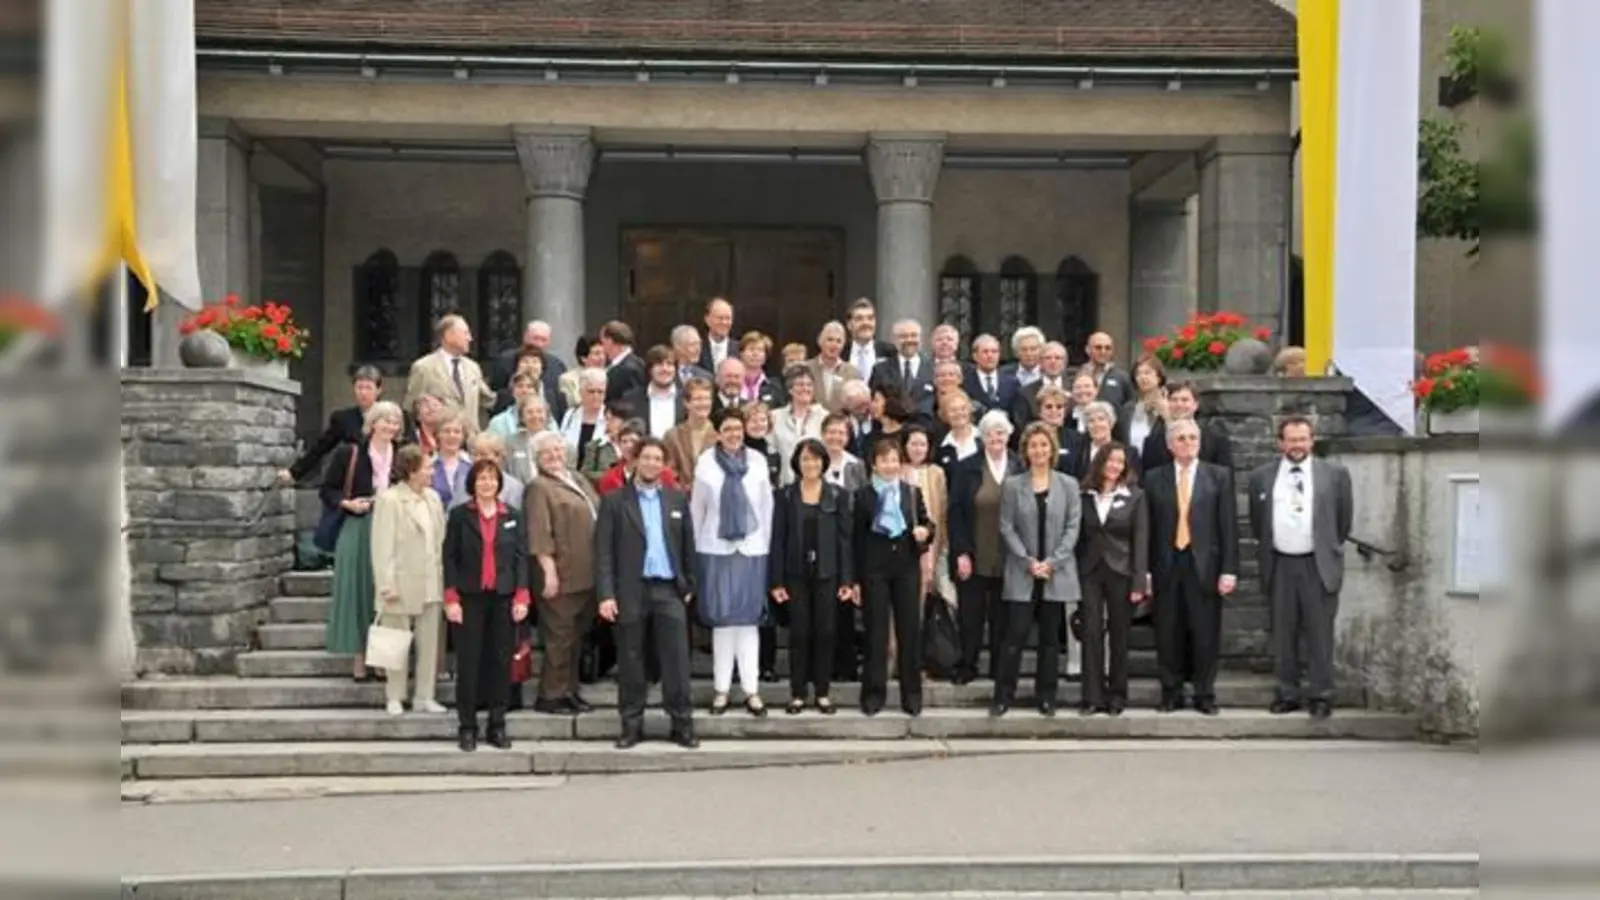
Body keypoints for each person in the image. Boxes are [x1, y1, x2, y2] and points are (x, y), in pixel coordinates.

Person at [595, 438, 699, 750]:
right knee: (630, 660)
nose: (653, 463)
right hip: (630, 590)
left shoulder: (677, 500)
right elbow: (603, 553)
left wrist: (690, 585)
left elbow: (688, 546)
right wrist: (605, 594)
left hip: (669, 590)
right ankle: (631, 725)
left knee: (677, 661)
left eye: (658, 459)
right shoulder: (615, 502)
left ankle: (682, 724)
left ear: (664, 465)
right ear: (635, 460)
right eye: (647, 457)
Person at [1248, 415, 1353, 720]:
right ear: (1280, 442)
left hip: (1317, 564)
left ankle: (1321, 695)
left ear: (1312, 440)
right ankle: (1286, 692)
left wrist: (1327, 548)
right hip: (1280, 563)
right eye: (1291, 439)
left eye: (1302, 439)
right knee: (1283, 632)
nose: (1297, 445)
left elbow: (1343, 520)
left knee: (1320, 633)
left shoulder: (1334, 475)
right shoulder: (1262, 477)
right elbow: (1258, 522)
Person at [1143, 418, 1239, 715]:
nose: (1187, 443)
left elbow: (1228, 526)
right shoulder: (1153, 478)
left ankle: (1204, 692)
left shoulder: (1218, 476)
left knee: (1205, 631)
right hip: (1166, 563)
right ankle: (1171, 691)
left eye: (1192, 438)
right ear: (1170, 446)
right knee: (1168, 631)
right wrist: (1145, 571)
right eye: (1180, 439)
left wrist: (1229, 569)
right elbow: (1147, 528)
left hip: (1205, 565)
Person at [992, 422, 1082, 718]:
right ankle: (1003, 696)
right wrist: (1028, 561)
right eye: (1033, 446)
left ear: (1052, 449)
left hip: (1056, 573)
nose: (1039, 450)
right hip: (1023, 571)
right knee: (1013, 637)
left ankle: (1047, 697)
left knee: (1049, 640)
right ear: (1026, 451)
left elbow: (1072, 528)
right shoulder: (1013, 485)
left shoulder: (1068, 485)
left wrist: (1052, 562)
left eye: (1044, 445)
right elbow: (1006, 527)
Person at [690, 407, 775, 716]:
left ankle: (751, 690)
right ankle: (722, 689)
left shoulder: (758, 461)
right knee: (723, 622)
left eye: (738, 429)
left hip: (752, 549)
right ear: (718, 432)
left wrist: (766, 548)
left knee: (749, 620)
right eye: (727, 429)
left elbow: (767, 508)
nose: (734, 435)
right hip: (715, 549)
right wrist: (694, 554)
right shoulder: (706, 464)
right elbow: (696, 511)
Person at [441, 459, 532, 751]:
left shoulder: (512, 516)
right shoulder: (458, 516)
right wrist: (451, 598)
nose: (487, 483)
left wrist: (522, 595)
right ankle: (467, 726)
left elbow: (521, 559)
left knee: (500, 663)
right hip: (470, 598)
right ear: (473, 483)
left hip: (503, 598)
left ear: (499, 483)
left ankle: (497, 724)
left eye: (492, 478)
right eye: (481, 478)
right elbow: (450, 559)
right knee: (469, 663)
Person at [769, 438, 856, 714]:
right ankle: (797, 693)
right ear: (797, 462)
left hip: (827, 574)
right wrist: (777, 581)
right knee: (799, 633)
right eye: (805, 459)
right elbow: (778, 540)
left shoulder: (837, 495)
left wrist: (846, 579)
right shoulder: (785, 496)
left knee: (826, 632)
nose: (811, 464)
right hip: (795, 574)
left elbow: (845, 540)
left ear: (823, 463)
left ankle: (822, 692)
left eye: (816, 459)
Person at [322, 401, 405, 682]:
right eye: (385, 420)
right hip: (358, 525)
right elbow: (328, 489)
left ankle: (381, 659)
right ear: (373, 422)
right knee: (358, 592)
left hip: (392, 526)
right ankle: (359, 658)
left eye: (395, 421)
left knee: (384, 594)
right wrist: (347, 503)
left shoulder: (403, 455)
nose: (391, 426)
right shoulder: (351, 452)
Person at [525, 431, 603, 715]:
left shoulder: (577, 479)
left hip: (587, 572)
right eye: (547, 453)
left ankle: (569, 691)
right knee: (559, 638)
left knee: (575, 638)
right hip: (561, 574)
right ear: (538, 458)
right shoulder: (539, 487)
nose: (554, 456)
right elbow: (539, 533)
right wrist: (549, 571)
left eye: (558, 451)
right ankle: (550, 695)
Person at [853, 438, 932, 716]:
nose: (890, 465)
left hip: (906, 568)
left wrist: (926, 532)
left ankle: (911, 695)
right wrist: (854, 579)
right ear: (874, 464)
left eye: (894, 459)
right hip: (874, 570)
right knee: (876, 633)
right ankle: (874, 693)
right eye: (884, 459)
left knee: (909, 631)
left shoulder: (911, 492)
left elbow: (926, 522)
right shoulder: (863, 496)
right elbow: (855, 540)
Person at [368, 444, 448, 716]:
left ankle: (425, 696)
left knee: (429, 645)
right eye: (427, 467)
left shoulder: (433, 499)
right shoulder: (390, 500)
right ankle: (394, 695)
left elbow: (440, 542)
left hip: (430, 581)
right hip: (400, 583)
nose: (432, 472)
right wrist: (385, 584)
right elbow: (382, 546)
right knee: (396, 642)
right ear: (412, 470)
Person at [948, 409, 1021, 685]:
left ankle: (999, 667)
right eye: (991, 432)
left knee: (1004, 616)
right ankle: (968, 664)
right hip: (975, 550)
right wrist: (961, 552)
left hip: (1009, 555)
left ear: (1009, 436)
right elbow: (955, 513)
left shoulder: (1019, 466)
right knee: (971, 614)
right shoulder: (967, 467)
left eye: (1001, 432)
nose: (996, 438)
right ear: (983, 436)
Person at [1077, 441, 1149, 716]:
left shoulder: (1135, 496)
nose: (1115, 466)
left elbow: (1141, 540)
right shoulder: (1084, 493)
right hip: (1091, 571)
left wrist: (1139, 581)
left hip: (1122, 571)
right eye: (1110, 460)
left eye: (1120, 462)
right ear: (1100, 463)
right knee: (1091, 632)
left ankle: (1117, 695)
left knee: (1119, 635)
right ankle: (1091, 696)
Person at [280, 365, 389, 484]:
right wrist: (294, 472)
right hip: (355, 482)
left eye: (368, 388)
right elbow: (321, 448)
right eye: (359, 387)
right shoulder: (344, 418)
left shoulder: (390, 417)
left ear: (378, 390)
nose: (363, 392)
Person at [405, 314, 493, 435]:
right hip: (440, 440)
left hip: (471, 440)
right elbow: (411, 407)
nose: (470, 338)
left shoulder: (473, 368)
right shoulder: (424, 367)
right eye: (465, 333)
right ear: (448, 335)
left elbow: (487, 399)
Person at [902, 425, 951, 612]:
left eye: (922, 444)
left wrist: (940, 544)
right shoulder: (896, 469)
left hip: (931, 543)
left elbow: (942, 510)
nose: (918, 449)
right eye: (913, 443)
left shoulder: (936, 472)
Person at [1140, 381, 1234, 472]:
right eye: (1174, 400)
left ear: (1195, 405)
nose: (1179, 404)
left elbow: (1225, 475)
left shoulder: (1214, 437)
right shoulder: (1152, 441)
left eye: (1185, 400)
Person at [770, 367, 828, 486]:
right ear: (790, 389)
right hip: (785, 484)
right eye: (800, 385)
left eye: (809, 385)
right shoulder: (774, 417)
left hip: (817, 484)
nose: (805, 388)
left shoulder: (825, 417)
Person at [662, 378, 716, 494]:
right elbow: (667, 472)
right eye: (698, 399)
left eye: (707, 399)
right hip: (682, 499)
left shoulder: (720, 434)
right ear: (686, 403)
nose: (703, 403)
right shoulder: (672, 436)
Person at [804, 320, 863, 413]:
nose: (834, 345)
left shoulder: (853, 373)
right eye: (830, 340)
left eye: (838, 341)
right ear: (820, 341)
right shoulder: (805, 369)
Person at [1117, 356, 1168, 454]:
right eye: (1138, 374)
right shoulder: (1128, 408)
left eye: (1147, 373)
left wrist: (1165, 413)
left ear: (1158, 377)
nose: (1143, 377)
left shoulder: (1170, 403)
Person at [558, 367, 609, 462]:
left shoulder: (610, 418)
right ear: (581, 392)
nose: (596, 396)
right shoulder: (570, 415)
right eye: (591, 391)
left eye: (600, 392)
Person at [468, 432, 525, 511]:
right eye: (475, 454)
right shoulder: (465, 480)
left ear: (498, 456)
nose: (477, 459)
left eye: (483, 454)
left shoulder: (513, 487)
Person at [505, 394, 555, 485]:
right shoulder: (510, 443)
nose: (535, 416)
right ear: (522, 417)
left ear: (547, 415)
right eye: (529, 412)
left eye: (539, 411)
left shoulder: (561, 444)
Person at [429, 413, 472, 509]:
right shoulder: (428, 465)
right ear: (438, 435)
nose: (451, 436)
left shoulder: (472, 465)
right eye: (446, 431)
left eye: (457, 432)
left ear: (463, 436)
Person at [600, 320, 647, 404]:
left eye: (602, 341)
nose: (602, 345)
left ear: (609, 341)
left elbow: (634, 400)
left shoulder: (630, 368)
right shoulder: (618, 365)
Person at [1085, 331, 1135, 410]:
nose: (1103, 352)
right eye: (1098, 347)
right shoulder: (1078, 375)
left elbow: (1131, 405)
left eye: (1107, 348)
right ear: (1087, 350)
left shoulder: (1122, 377)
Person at [738, 331, 786, 408]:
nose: (755, 354)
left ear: (765, 356)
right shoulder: (732, 381)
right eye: (751, 349)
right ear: (741, 353)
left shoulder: (774, 386)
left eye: (760, 350)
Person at [934, 389, 979, 472]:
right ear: (944, 415)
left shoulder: (984, 438)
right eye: (953, 410)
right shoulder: (941, 448)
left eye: (963, 408)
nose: (959, 413)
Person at [698, 296, 736, 373]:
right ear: (707, 320)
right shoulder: (697, 348)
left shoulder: (740, 350)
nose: (724, 322)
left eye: (728, 318)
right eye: (720, 318)